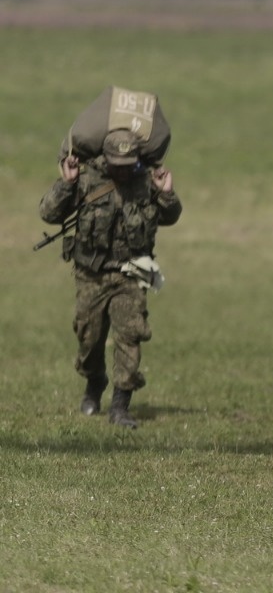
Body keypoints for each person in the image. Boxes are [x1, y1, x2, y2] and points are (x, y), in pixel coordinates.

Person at [39, 128, 182, 429]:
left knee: (130, 334)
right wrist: (66, 184)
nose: (122, 168)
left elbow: (170, 216)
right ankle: (95, 380)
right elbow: (49, 213)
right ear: (106, 158)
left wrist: (166, 192)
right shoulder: (87, 178)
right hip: (91, 274)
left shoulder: (146, 181)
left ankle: (120, 405)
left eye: (128, 162)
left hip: (130, 274)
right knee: (88, 338)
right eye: (116, 162)